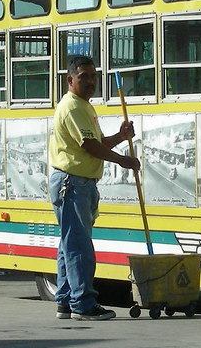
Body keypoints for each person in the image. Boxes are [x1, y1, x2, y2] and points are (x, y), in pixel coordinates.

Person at [49, 56, 141, 321]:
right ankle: (83, 305)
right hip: (73, 183)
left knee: (69, 245)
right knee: (78, 247)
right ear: (70, 80)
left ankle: (66, 301)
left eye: (93, 76)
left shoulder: (83, 106)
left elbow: (97, 142)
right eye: (83, 77)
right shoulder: (72, 107)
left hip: (79, 183)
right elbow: (88, 147)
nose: (90, 82)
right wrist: (122, 160)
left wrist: (120, 137)